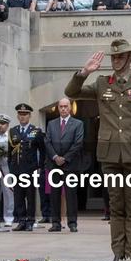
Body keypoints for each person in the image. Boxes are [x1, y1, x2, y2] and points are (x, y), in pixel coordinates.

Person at [65, 39, 131, 261]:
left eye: (120, 56)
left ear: (130, 58)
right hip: (109, 154)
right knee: (115, 206)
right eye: (114, 57)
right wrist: (84, 72)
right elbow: (71, 92)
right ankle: (118, 253)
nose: (116, 60)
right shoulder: (101, 83)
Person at [45, 98, 84, 232]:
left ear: (70, 108)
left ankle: (72, 223)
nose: (63, 109)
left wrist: (65, 158)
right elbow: (47, 142)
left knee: (71, 194)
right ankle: (55, 223)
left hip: (70, 165)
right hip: (54, 164)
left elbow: (78, 143)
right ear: (58, 108)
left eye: (65, 106)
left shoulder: (78, 124)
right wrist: (55, 157)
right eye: (61, 106)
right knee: (54, 194)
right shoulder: (51, 124)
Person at [8, 103, 45, 232]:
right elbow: (9, 153)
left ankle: (30, 221)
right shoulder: (13, 131)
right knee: (18, 196)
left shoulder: (36, 131)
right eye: (20, 114)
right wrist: (10, 170)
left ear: (29, 115)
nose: (22, 117)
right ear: (18, 116)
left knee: (30, 196)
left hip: (30, 169)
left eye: (25, 114)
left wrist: (40, 167)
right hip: (17, 169)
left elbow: (42, 150)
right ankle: (21, 221)